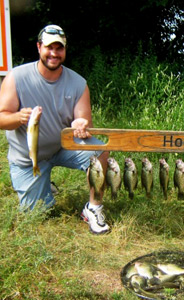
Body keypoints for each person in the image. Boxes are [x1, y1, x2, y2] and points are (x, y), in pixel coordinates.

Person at [0, 24, 110, 234]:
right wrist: (17, 117)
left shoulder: (78, 83)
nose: (54, 53)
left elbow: (85, 121)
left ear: (65, 50)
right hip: (28, 158)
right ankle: (43, 182)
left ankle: (93, 208)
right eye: (49, 47)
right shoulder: (16, 77)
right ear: (39, 47)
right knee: (36, 215)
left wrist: (81, 125)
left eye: (59, 48)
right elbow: (1, 118)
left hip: (62, 147)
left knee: (100, 150)